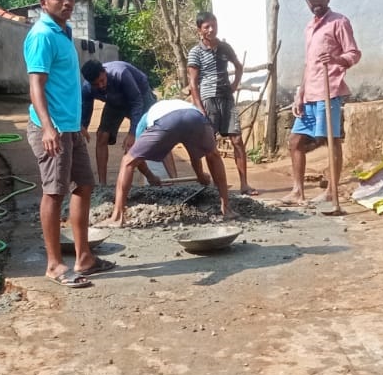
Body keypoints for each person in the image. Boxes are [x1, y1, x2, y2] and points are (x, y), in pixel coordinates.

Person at [27, 0, 101, 288]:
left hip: (69, 127)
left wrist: (78, 124)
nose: (67, 2)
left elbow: (65, 84)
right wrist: (48, 128)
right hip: (51, 129)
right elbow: (36, 87)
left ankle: (84, 257)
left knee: (83, 185)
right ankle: (55, 265)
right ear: (44, 3)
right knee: (54, 193)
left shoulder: (64, 31)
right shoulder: (42, 35)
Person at [286, 0, 360, 205]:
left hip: (330, 90)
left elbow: (354, 53)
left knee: (331, 141)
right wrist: (300, 94)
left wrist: (337, 59)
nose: (316, 6)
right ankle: (298, 191)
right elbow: (308, 64)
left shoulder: (339, 22)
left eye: (320, 2)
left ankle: (331, 191)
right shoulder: (309, 27)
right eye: (312, 2)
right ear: (307, 3)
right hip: (310, 92)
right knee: (295, 141)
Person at [105, 98, 233, 227]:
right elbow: (194, 154)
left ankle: (117, 216)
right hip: (195, 117)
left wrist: (150, 176)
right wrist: (200, 175)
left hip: (168, 120)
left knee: (127, 161)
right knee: (213, 155)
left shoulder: (145, 120)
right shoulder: (179, 105)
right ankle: (226, 209)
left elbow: (137, 159)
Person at [187, 12, 255, 195]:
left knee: (238, 141)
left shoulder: (225, 47)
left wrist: (234, 85)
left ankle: (244, 184)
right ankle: (218, 186)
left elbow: (238, 66)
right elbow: (193, 83)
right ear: (199, 30)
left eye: (213, 25)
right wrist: (199, 106)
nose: (211, 30)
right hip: (208, 100)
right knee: (210, 144)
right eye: (206, 27)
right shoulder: (195, 52)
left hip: (227, 99)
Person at [82, 58, 176, 184]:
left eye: (102, 81)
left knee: (157, 135)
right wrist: (83, 127)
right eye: (96, 84)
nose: (100, 86)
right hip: (114, 101)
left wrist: (132, 133)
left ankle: (175, 180)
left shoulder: (121, 73)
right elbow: (86, 108)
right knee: (102, 136)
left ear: (104, 71)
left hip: (140, 97)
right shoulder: (87, 88)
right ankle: (102, 185)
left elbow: (136, 102)